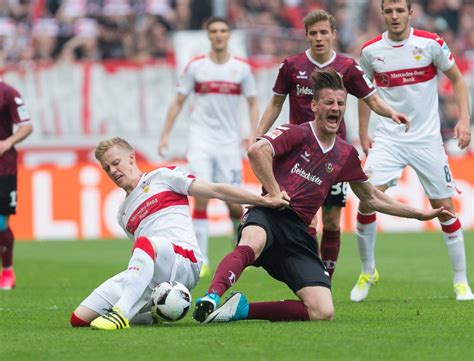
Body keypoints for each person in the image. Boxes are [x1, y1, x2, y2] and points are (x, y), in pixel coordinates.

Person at [192, 68, 453, 324]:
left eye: (341, 103)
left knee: (323, 311)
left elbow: (371, 198)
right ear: (315, 106)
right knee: (252, 240)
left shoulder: (345, 154)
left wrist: (421, 214)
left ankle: (241, 310)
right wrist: (273, 193)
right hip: (270, 215)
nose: (336, 108)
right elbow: (257, 151)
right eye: (329, 102)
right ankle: (212, 296)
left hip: (299, 233)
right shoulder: (296, 132)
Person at [70, 137, 287, 330]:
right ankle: (148, 316)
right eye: (107, 168)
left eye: (116, 163)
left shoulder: (163, 176)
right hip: (154, 268)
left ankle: (121, 314)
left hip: (185, 260)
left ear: (132, 158)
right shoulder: (122, 213)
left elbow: (215, 190)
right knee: (80, 318)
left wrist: (262, 200)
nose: (113, 171)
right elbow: (141, 259)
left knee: (145, 244)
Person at [256, 9, 408, 279]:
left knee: (332, 221)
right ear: (306, 36)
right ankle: (310, 273)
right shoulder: (291, 65)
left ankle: (326, 277)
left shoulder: (347, 67)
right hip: (298, 158)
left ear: (333, 35)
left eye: (324, 32)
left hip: (333, 155)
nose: (319, 38)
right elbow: (276, 103)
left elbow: (371, 99)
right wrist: (259, 134)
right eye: (313, 33)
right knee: (307, 219)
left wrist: (391, 113)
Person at [351, 0, 473, 302]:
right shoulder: (370, 52)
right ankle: (368, 271)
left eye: (399, 10)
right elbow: (363, 93)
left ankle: (461, 280)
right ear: (383, 14)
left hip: (427, 140)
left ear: (409, 13)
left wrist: (464, 119)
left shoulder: (430, 44)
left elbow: (457, 79)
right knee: (366, 201)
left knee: (444, 207)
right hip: (389, 139)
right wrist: (364, 133)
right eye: (388, 11)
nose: (394, 16)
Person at [158, 16, 259, 278]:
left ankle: (239, 246)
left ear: (228, 35)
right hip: (201, 140)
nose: (218, 35)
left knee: (234, 204)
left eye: (223, 30)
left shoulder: (242, 69)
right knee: (200, 195)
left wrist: (254, 135)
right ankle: (201, 258)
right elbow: (178, 101)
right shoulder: (196, 67)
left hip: (229, 143)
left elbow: (252, 103)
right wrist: (165, 135)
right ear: (208, 35)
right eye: (213, 30)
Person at [0, 81, 33, 290]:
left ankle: (7, 271)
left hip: (4, 168)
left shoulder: (8, 93)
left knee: (1, 224)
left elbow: (27, 126)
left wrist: (8, 142)